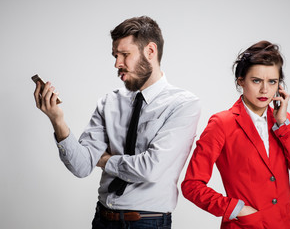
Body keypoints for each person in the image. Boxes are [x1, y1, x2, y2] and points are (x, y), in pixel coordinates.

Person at [34, 16, 201, 229]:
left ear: (150, 51)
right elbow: (82, 166)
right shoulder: (109, 102)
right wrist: (57, 120)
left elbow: (150, 169)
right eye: (115, 55)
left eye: (125, 54)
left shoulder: (183, 104)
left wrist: (103, 160)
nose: (117, 64)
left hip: (148, 222)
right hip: (102, 219)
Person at [181, 40, 290, 228]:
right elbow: (191, 185)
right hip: (246, 225)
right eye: (256, 80)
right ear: (241, 81)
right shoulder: (222, 123)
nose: (265, 90)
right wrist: (236, 209)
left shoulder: (284, 121)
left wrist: (283, 124)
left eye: (272, 82)